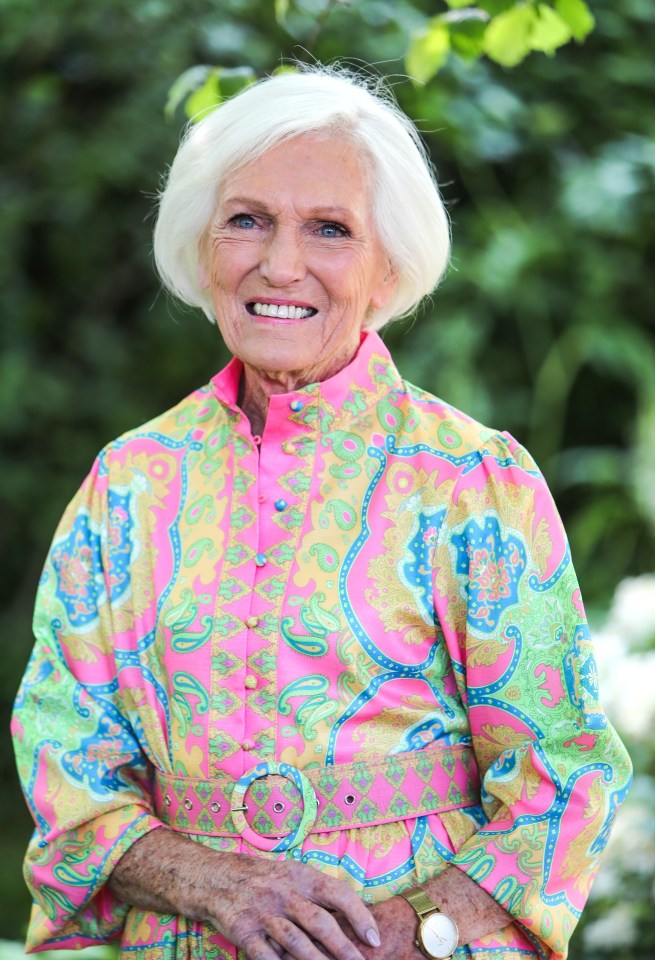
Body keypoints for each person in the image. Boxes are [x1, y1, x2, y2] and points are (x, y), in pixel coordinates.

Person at [12, 66, 631, 960]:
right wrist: (217, 885)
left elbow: (563, 773)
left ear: (387, 270)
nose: (280, 265)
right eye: (247, 220)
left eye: (329, 230)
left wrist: (401, 936)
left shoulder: (468, 481)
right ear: (203, 244)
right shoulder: (129, 484)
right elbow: (67, 768)